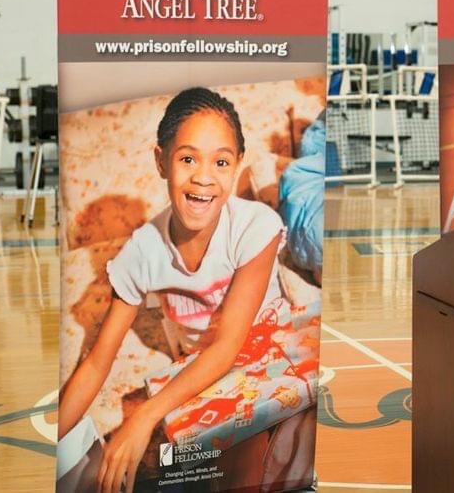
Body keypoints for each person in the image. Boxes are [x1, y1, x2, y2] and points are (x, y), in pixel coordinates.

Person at [57, 87, 312, 493]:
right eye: (188, 158)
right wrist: (49, 445)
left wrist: (143, 418)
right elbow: (96, 362)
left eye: (221, 162)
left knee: (246, 457)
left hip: (267, 354)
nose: (204, 177)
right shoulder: (142, 251)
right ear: (161, 161)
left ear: (237, 165)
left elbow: (229, 347)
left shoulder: (255, 226)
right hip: (203, 373)